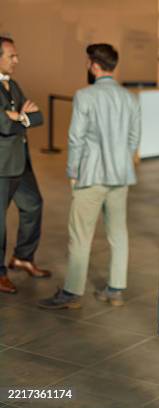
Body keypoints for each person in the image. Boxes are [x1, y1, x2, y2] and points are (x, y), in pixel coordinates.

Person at [38, 43, 141, 309]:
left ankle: (72, 293)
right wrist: (122, 161)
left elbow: (76, 138)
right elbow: (134, 138)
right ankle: (115, 289)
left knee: (80, 234)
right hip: (120, 176)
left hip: (91, 176)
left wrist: (73, 171)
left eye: (87, 62)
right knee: (118, 233)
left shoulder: (85, 95)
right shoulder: (129, 97)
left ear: (94, 65)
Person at [0, 36, 49, 294]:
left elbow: (37, 116)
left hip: (21, 162)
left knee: (34, 205)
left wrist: (19, 117)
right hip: (2, 166)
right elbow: (3, 125)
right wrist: (18, 117)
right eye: (12, 56)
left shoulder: (14, 85)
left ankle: (22, 256)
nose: (17, 60)